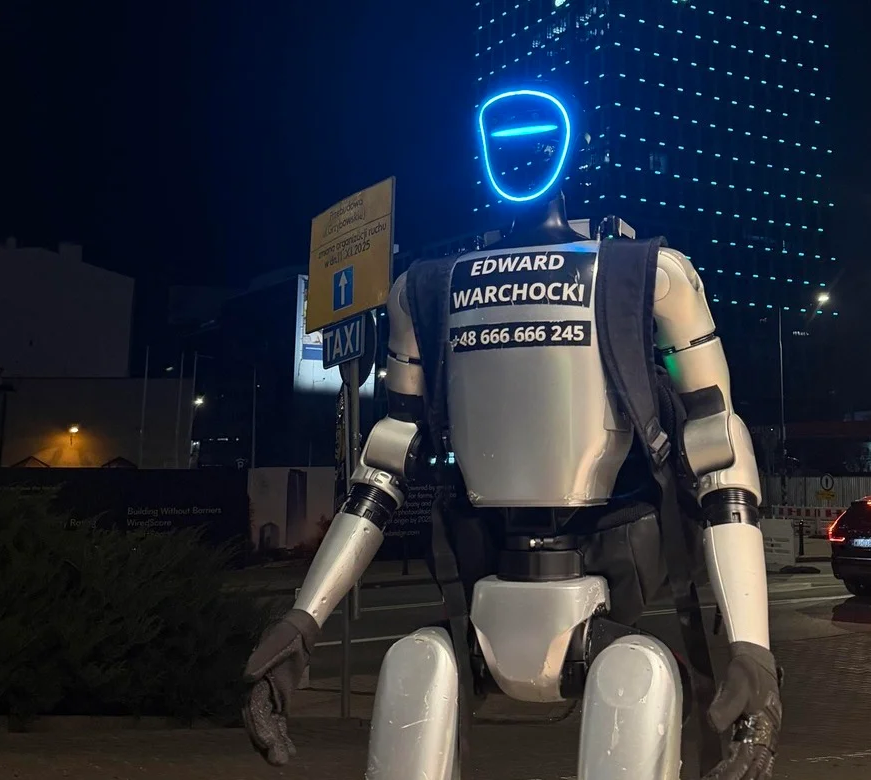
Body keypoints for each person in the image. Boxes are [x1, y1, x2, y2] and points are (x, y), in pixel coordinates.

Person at [240, 84, 781, 779]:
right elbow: (385, 462)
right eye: (504, 140)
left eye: (535, 139)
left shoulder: (642, 273)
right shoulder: (426, 288)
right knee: (420, 668)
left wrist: (753, 652)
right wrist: (301, 622)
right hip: (487, 562)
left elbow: (719, 450)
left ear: (569, 148)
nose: (519, 156)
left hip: (610, 555)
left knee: (634, 679)